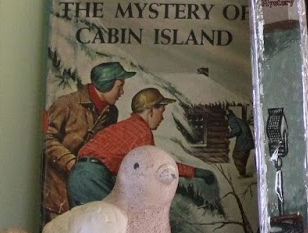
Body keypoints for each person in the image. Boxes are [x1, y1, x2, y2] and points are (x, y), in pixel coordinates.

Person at [67, 85, 216, 206]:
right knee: (122, 228)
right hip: (93, 179)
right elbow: (156, 167)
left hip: (76, 176)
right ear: (151, 110)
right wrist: (196, 172)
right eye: (161, 111)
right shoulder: (142, 131)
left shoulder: (123, 126)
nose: (162, 117)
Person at [41, 60, 130, 222]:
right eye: (120, 86)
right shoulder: (65, 104)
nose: (122, 92)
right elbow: (45, 138)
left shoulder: (111, 112)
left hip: (87, 189)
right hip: (58, 192)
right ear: (106, 84)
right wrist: (69, 161)